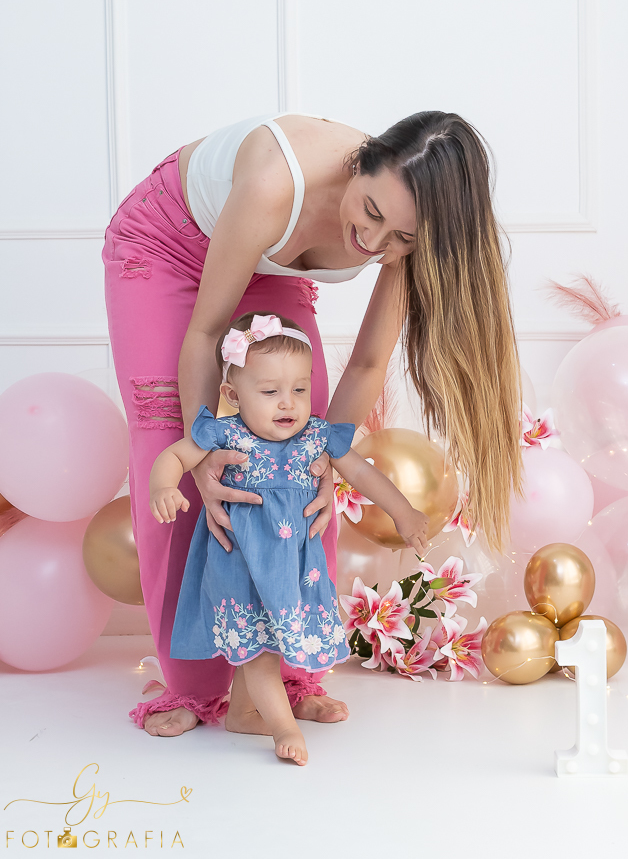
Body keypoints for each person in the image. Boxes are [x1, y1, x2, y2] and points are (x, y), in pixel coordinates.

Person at [103, 110, 521, 737]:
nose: (375, 244)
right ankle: (191, 686)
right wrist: (204, 447)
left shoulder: (405, 230)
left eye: (402, 239)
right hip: (167, 249)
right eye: (371, 212)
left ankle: (291, 673)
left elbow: (370, 361)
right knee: (180, 450)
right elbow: (206, 334)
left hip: (270, 270)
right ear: (363, 161)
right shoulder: (278, 183)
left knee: (293, 454)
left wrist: (322, 460)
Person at [149, 312, 429, 764]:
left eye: (299, 389)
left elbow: (360, 471)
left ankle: (243, 713)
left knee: (274, 641)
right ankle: (282, 724)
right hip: (240, 565)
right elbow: (173, 456)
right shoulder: (225, 432)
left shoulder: (316, 435)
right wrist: (163, 487)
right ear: (232, 395)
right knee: (259, 649)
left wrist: (403, 511)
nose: (288, 404)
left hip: (293, 567)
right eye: (270, 392)